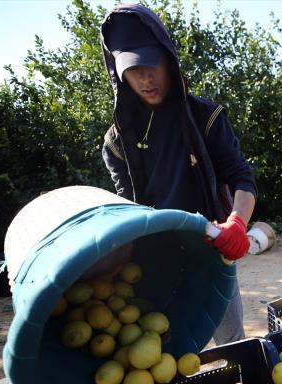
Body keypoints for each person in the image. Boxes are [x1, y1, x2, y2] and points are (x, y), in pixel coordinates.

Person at [99, 4, 257, 345]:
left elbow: (242, 176)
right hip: (153, 262)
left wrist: (238, 223)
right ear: (119, 72)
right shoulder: (116, 142)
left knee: (232, 342)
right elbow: (126, 206)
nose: (146, 78)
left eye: (152, 63)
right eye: (133, 68)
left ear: (168, 59)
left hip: (211, 251)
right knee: (161, 350)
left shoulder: (205, 116)